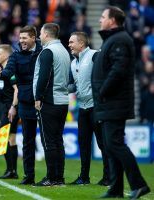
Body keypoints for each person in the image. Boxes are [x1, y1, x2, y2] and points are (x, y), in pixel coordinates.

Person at [91, 6, 150, 199]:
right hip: (109, 102)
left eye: (102, 17)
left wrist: (102, 91)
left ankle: (139, 184)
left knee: (115, 144)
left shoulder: (120, 40)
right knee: (110, 145)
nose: (99, 20)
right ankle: (116, 189)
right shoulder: (113, 39)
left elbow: (118, 70)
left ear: (112, 20)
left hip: (114, 102)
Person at [0, 25, 42, 185]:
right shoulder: (16, 56)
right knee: (27, 140)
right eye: (20, 38)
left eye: (24, 38)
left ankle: (54, 176)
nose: (21, 41)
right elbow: (8, 72)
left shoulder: (43, 52)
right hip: (25, 103)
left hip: (43, 101)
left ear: (33, 38)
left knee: (49, 140)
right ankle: (28, 176)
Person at [68, 32, 110, 186]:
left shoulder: (94, 55)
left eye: (72, 42)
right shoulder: (73, 62)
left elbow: (105, 76)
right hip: (83, 109)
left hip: (96, 107)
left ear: (81, 43)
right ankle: (84, 177)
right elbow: (73, 86)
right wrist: (60, 87)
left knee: (102, 143)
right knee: (83, 144)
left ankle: (108, 176)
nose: (69, 45)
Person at [33, 23, 70, 186]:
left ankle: (51, 177)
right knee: (58, 140)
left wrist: (38, 97)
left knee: (48, 141)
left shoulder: (48, 52)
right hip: (63, 100)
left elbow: (44, 76)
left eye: (40, 33)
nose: (39, 36)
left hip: (49, 100)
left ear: (47, 34)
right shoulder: (64, 50)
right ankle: (59, 177)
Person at [0, 44, 20, 179]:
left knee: (3, 138)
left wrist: (13, 107)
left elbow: (17, 89)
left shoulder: (10, 71)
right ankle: (12, 171)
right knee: (11, 138)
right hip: (6, 107)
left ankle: (11, 170)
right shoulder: (2, 71)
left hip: (10, 109)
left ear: (6, 55)